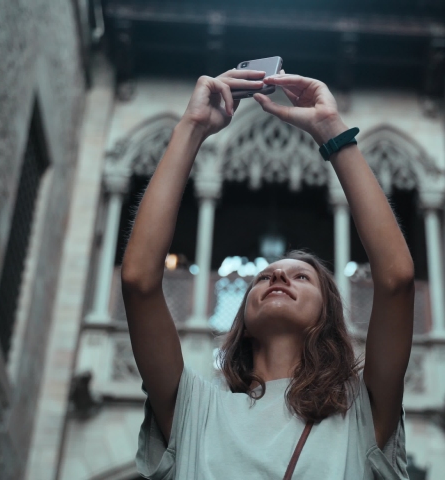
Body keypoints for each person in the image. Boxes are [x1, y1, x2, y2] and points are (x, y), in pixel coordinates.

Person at [121, 68, 415, 479]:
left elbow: (397, 280)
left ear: (328, 314)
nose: (276, 277)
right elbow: (138, 281)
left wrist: (332, 130)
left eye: (301, 277)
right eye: (263, 277)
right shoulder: (195, 410)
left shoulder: (361, 413)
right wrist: (192, 128)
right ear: (242, 317)